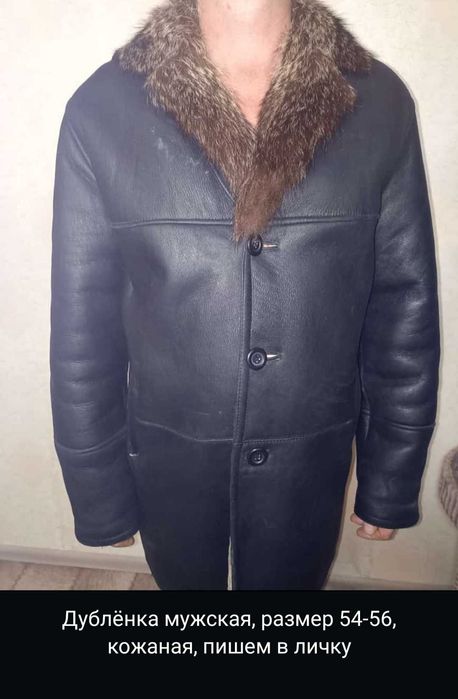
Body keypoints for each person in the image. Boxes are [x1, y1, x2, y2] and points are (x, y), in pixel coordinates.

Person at [49, 0, 441, 589]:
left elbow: (404, 308)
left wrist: (391, 475)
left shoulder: (378, 103)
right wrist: (98, 491)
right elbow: (83, 329)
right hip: (169, 469)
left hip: (311, 470)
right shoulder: (104, 108)